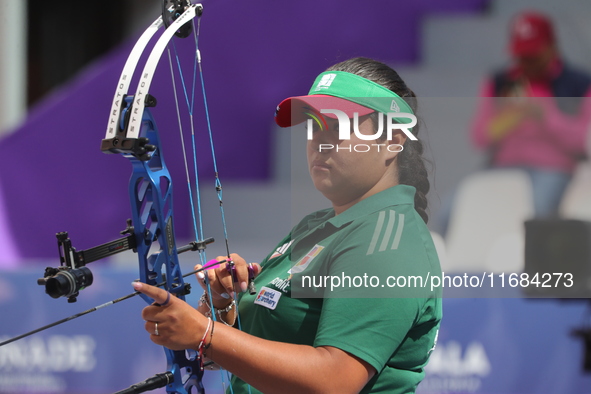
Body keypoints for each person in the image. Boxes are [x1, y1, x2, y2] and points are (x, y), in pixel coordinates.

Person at [132, 57, 442, 393]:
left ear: (393, 139)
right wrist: (221, 301)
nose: (319, 142)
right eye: (313, 126)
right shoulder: (319, 225)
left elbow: (335, 381)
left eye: (338, 126)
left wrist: (205, 335)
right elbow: (244, 353)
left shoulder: (387, 242)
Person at [470, 10, 591, 218]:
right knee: (456, 209)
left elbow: (584, 141)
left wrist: (546, 116)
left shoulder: (578, 84)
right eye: (521, 56)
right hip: (504, 167)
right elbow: (480, 136)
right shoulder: (502, 82)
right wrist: (509, 118)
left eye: (533, 56)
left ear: (552, 48)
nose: (527, 63)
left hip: (553, 170)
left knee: (536, 212)